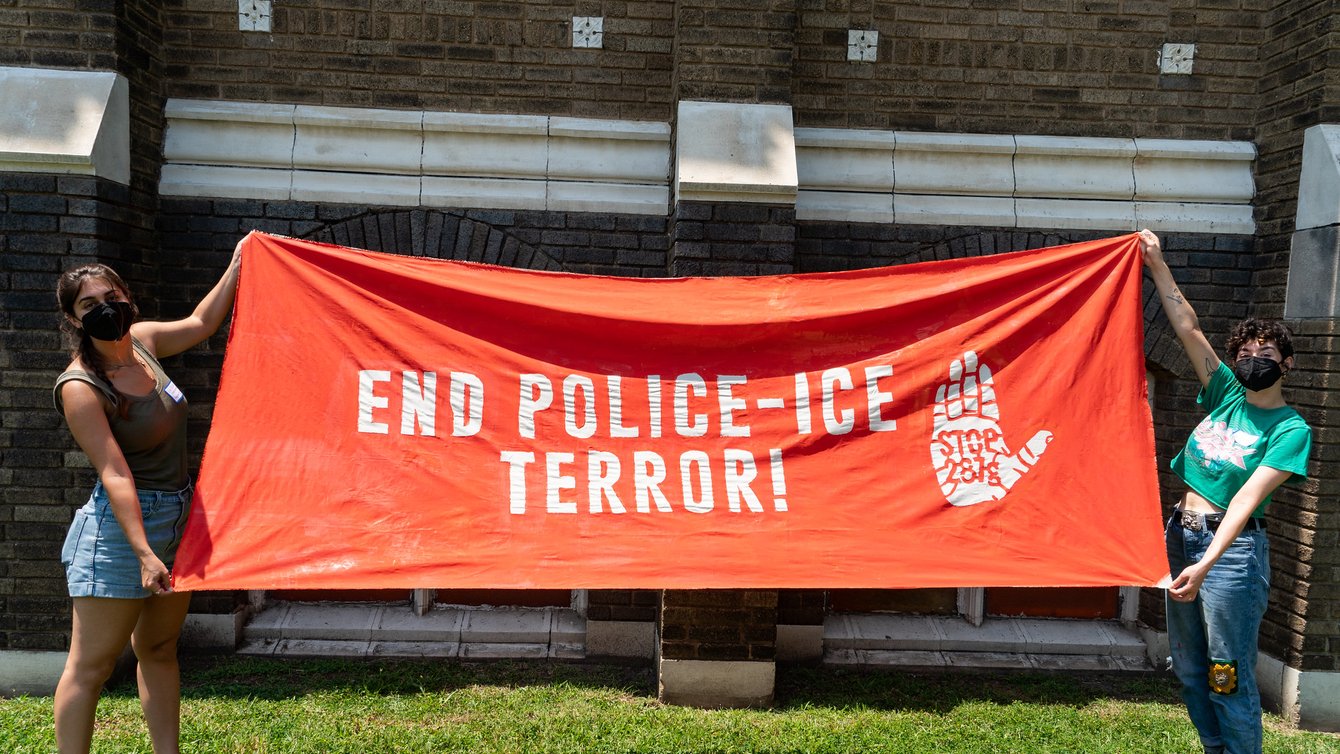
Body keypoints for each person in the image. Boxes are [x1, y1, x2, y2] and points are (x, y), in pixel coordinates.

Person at [52, 237, 244, 754]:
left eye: (110, 297)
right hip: (119, 533)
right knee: (90, 667)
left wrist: (238, 262)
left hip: (179, 515)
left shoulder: (143, 343)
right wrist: (142, 552)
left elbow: (202, 323)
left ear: (127, 298)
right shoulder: (81, 386)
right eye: (89, 305)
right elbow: (115, 472)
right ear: (73, 318)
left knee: (158, 647)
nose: (104, 310)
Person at [1141, 229, 1312, 754]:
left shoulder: (1289, 428)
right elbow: (1187, 326)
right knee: (1191, 669)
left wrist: (1206, 563)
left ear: (1286, 363)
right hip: (1182, 536)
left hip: (1230, 554)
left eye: (1266, 351)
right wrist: (1156, 264)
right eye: (1245, 349)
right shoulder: (1224, 394)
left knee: (1226, 673)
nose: (1252, 356)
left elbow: (1243, 499)